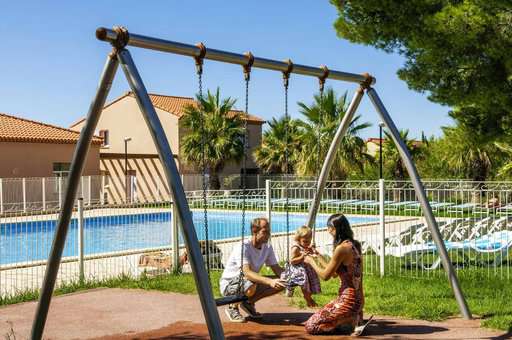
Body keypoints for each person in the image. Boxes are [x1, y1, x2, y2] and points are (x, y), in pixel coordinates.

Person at [303, 213, 364, 335]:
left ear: (335, 229)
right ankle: (351, 319)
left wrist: (311, 261)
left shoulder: (341, 248)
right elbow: (335, 273)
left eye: (329, 228)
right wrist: (318, 255)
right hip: (358, 300)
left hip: (348, 301)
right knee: (322, 320)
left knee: (311, 326)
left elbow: (325, 276)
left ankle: (349, 319)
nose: (328, 231)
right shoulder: (354, 245)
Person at [219, 217, 286, 322]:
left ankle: (248, 303)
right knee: (251, 283)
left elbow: (276, 268)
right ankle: (232, 307)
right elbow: (247, 273)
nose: (268, 234)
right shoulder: (243, 246)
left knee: (283, 282)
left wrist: (289, 276)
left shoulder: (267, 247)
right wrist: (269, 281)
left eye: (269, 231)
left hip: (249, 282)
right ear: (255, 231)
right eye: (265, 231)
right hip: (229, 284)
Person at [282, 225, 321, 307]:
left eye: (309, 241)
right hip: (297, 270)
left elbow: (309, 255)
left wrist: (313, 253)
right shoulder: (296, 248)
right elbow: (291, 261)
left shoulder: (306, 246)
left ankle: (309, 299)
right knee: (305, 285)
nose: (307, 244)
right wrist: (302, 257)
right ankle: (308, 300)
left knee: (310, 286)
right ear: (298, 239)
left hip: (305, 268)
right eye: (305, 241)